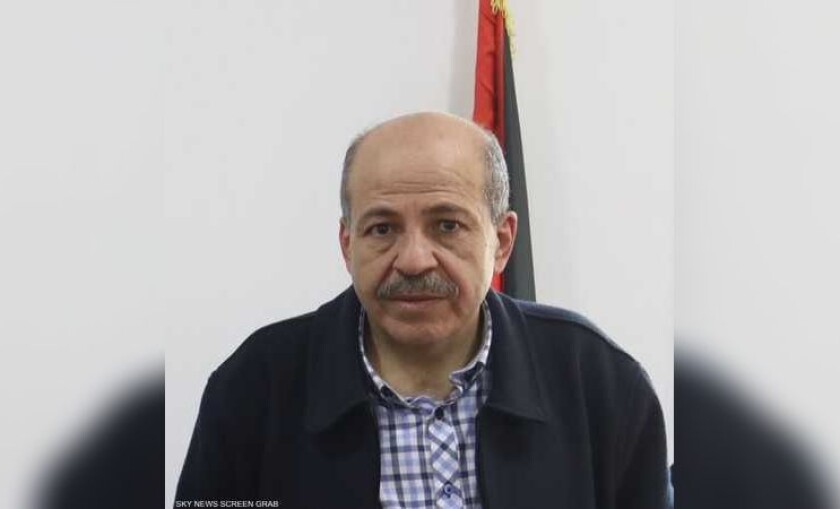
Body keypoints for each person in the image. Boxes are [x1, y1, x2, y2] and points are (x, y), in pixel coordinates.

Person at [174, 112, 668, 509]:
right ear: (348, 245)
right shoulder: (253, 389)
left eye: (447, 225)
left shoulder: (598, 381)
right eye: (382, 229)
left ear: (501, 242)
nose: (413, 260)